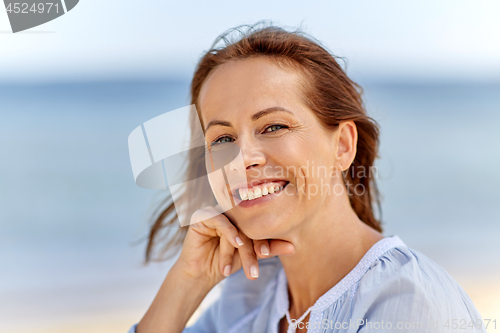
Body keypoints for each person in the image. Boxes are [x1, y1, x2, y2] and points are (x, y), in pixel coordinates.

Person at [128, 23, 486, 333]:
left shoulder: (409, 306)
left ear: (343, 146)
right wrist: (188, 281)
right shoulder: (250, 295)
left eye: (273, 126)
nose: (243, 159)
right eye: (223, 139)